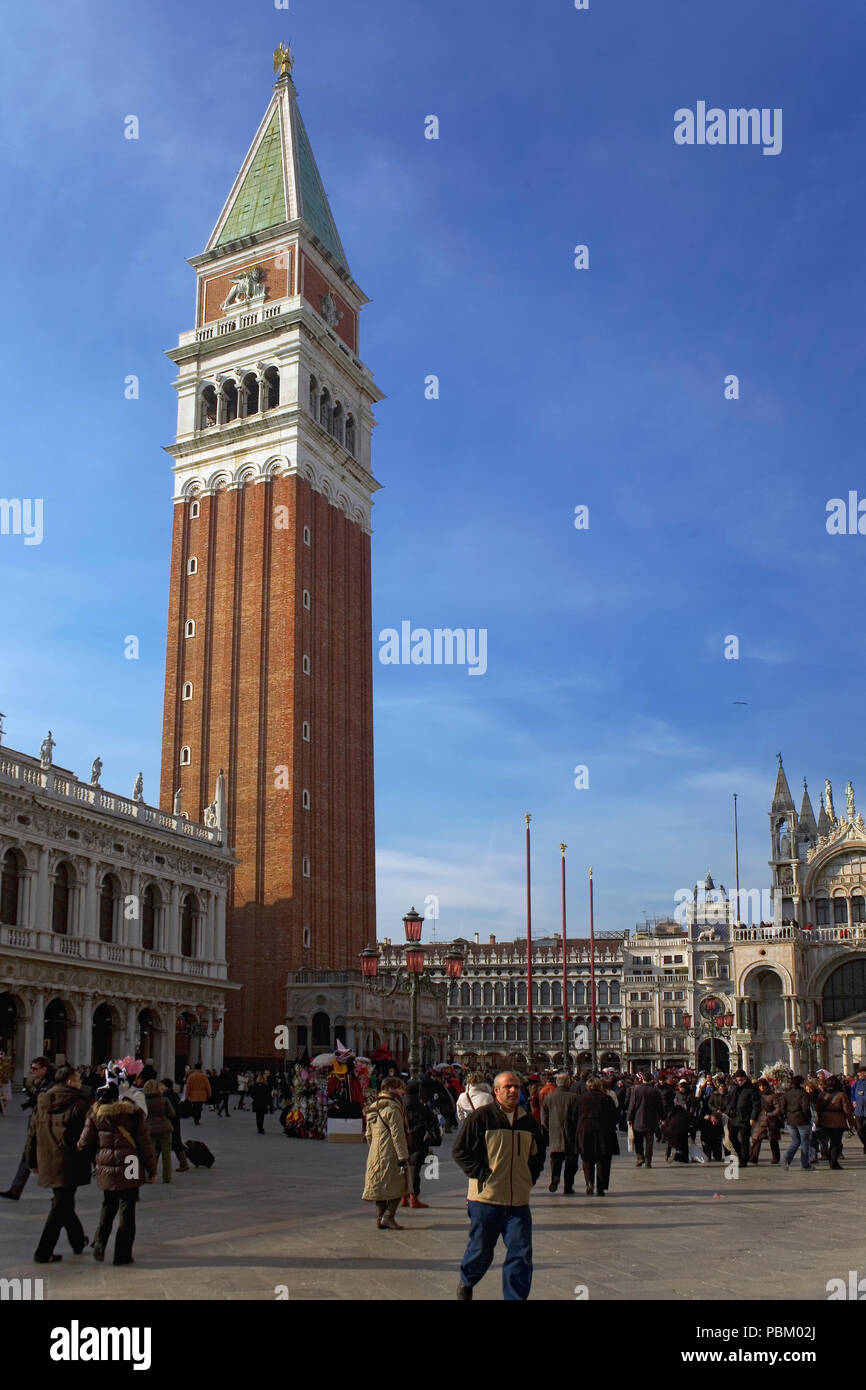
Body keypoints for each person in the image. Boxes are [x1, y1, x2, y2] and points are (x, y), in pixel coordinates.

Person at [452, 1071, 545, 1301]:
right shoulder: (480, 1119)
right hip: (486, 1199)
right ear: (496, 1091)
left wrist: (529, 1177)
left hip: (518, 1202)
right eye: (507, 1087)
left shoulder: (529, 1122)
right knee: (480, 1252)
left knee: (521, 1254)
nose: (513, 1090)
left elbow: (538, 1154)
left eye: (516, 1086)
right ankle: (467, 1280)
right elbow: (460, 1151)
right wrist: (483, 1175)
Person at [77, 1080, 157, 1265]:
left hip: (106, 1164)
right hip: (130, 1163)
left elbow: (83, 1143)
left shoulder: (95, 1114)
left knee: (108, 1204)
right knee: (127, 1209)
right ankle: (122, 1255)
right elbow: (145, 1144)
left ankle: (100, 1243)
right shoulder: (134, 1113)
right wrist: (152, 1169)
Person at [24, 1064, 91, 1262]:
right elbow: (87, 1138)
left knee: (64, 1202)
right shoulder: (79, 1104)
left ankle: (78, 1240)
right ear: (70, 1082)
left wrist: (31, 1160)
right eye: (78, 1079)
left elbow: (32, 1133)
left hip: (48, 1159)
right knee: (60, 1205)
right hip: (70, 1161)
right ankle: (43, 1252)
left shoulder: (42, 1101)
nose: (80, 1083)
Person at [0, 1057, 55, 1200]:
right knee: (27, 1156)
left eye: (35, 1068)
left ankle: (61, 1192)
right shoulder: (39, 1083)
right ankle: (15, 1189)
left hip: (45, 1127)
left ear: (44, 1069)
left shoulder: (51, 1084)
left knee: (50, 1159)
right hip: (35, 1125)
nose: (32, 1071)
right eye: (31, 1068)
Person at [362, 1076, 410, 1229]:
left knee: (380, 1186)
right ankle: (388, 1217)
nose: (402, 1091)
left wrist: (374, 1148)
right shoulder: (392, 1108)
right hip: (391, 1153)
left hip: (375, 1153)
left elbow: (368, 1135)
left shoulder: (373, 1107)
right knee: (399, 1185)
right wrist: (403, 1156)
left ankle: (379, 1218)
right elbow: (398, 1134)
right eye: (400, 1088)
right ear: (390, 1088)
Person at [576, 1075, 620, 1194]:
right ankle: (600, 1187)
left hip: (585, 1132)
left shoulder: (580, 1099)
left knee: (587, 1159)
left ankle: (589, 1183)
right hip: (604, 1132)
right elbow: (616, 1117)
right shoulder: (606, 1098)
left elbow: (574, 1116)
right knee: (603, 1160)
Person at [402, 1080, 440, 1209]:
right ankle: (414, 1197)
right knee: (414, 1170)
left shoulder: (400, 1104)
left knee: (402, 1168)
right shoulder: (421, 1106)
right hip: (419, 1140)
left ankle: (403, 1197)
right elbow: (433, 1120)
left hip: (403, 1140)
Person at [542, 1073, 579, 1195]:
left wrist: (549, 1128)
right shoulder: (574, 1097)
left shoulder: (549, 1097)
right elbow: (577, 1117)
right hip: (571, 1134)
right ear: (568, 1083)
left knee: (556, 1159)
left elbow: (544, 1118)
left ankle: (555, 1177)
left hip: (555, 1133)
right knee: (571, 1162)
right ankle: (568, 1186)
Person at [814, 1075, 854, 1170]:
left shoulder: (822, 1094)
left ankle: (831, 1160)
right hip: (838, 1121)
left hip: (825, 1120)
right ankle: (833, 1162)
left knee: (828, 1141)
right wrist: (851, 1122)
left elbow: (817, 1108)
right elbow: (847, 1110)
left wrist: (819, 1119)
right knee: (836, 1142)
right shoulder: (841, 1095)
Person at [726, 1071, 761, 1168]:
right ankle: (741, 1155)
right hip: (733, 1116)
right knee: (732, 1137)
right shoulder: (733, 1088)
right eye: (738, 1080)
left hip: (745, 1117)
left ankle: (743, 1160)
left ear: (745, 1079)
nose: (739, 1081)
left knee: (744, 1139)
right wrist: (727, 1110)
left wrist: (753, 1117)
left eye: (741, 1079)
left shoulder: (751, 1089)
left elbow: (756, 1104)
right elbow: (728, 1099)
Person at [626, 1075, 662, 1168]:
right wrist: (663, 1118)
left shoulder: (636, 1090)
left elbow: (632, 1105)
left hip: (638, 1120)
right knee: (649, 1142)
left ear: (642, 1079)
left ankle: (640, 1157)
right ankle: (648, 1161)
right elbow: (660, 1106)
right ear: (651, 1080)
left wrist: (629, 1118)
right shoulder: (655, 1090)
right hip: (651, 1120)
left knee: (638, 1141)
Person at [780, 1076, 814, 1171]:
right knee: (804, 1142)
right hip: (802, 1120)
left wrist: (786, 1116)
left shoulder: (787, 1094)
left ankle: (786, 1157)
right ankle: (804, 1164)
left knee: (795, 1141)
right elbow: (806, 1108)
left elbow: (782, 1107)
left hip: (790, 1120)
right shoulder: (804, 1094)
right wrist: (808, 1119)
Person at [143, 1080, 173, 1183]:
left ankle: (149, 1176)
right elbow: (172, 1113)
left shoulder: (144, 1101)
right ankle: (167, 1177)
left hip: (150, 1129)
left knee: (150, 1154)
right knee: (166, 1153)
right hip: (165, 1127)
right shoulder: (164, 1099)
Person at [750, 1079, 783, 1164]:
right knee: (756, 1139)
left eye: (763, 1085)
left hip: (770, 1120)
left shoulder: (772, 1096)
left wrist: (771, 1114)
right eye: (760, 1086)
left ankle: (776, 1157)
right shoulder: (756, 1095)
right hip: (759, 1120)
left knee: (773, 1139)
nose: (761, 1087)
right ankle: (753, 1157)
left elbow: (778, 1108)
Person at [161, 1077, 189, 1172]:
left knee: (175, 1144)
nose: (161, 1087)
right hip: (174, 1123)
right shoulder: (172, 1095)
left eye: (162, 1086)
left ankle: (183, 1163)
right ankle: (183, 1163)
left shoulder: (169, 1097)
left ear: (167, 1087)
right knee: (176, 1144)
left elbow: (171, 1111)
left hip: (171, 1123)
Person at [850, 1066, 866, 1154]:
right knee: (859, 1130)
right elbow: (852, 1094)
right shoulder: (856, 1083)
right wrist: (853, 1101)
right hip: (859, 1110)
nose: (859, 1074)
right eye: (858, 1073)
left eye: (861, 1072)